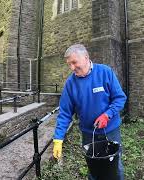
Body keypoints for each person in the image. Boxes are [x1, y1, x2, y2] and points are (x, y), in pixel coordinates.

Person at [52, 44, 127, 180]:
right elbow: (65, 113)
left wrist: (107, 115)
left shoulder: (105, 72)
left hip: (111, 131)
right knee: (93, 169)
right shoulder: (70, 83)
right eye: (69, 64)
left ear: (86, 58)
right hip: (88, 134)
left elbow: (120, 98)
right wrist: (58, 139)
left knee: (115, 167)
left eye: (74, 63)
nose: (72, 68)